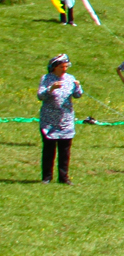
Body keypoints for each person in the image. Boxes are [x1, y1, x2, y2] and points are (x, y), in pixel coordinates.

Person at [38, 54, 80, 184]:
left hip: (66, 120)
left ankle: (63, 177)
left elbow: (78, 95)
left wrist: (78, 87)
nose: (64, 69)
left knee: (65, 151)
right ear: (55, 67)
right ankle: (47, 177)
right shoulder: (46, 78)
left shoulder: (70, 78)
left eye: (66, 66)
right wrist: (51, 89)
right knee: (49, 150)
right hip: (49, 120)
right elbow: (40, 96)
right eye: (61, 67)